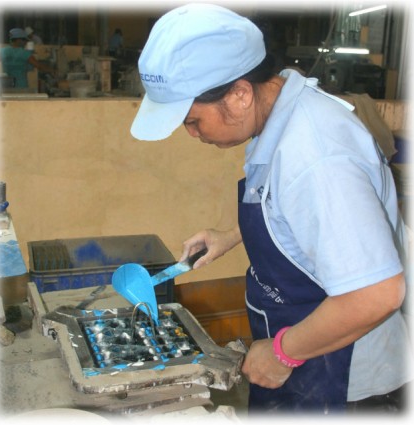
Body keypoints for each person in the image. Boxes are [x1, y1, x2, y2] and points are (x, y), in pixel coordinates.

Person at [130, 3, 412, 414]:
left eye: (193, 121)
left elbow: (375, 294)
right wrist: (231, 236)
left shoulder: (317, 155)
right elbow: (299, 207)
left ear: (241, 94)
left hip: (343, 383)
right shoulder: (279, 114)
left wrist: (282, 354)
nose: (192, 134)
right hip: (299, 343)